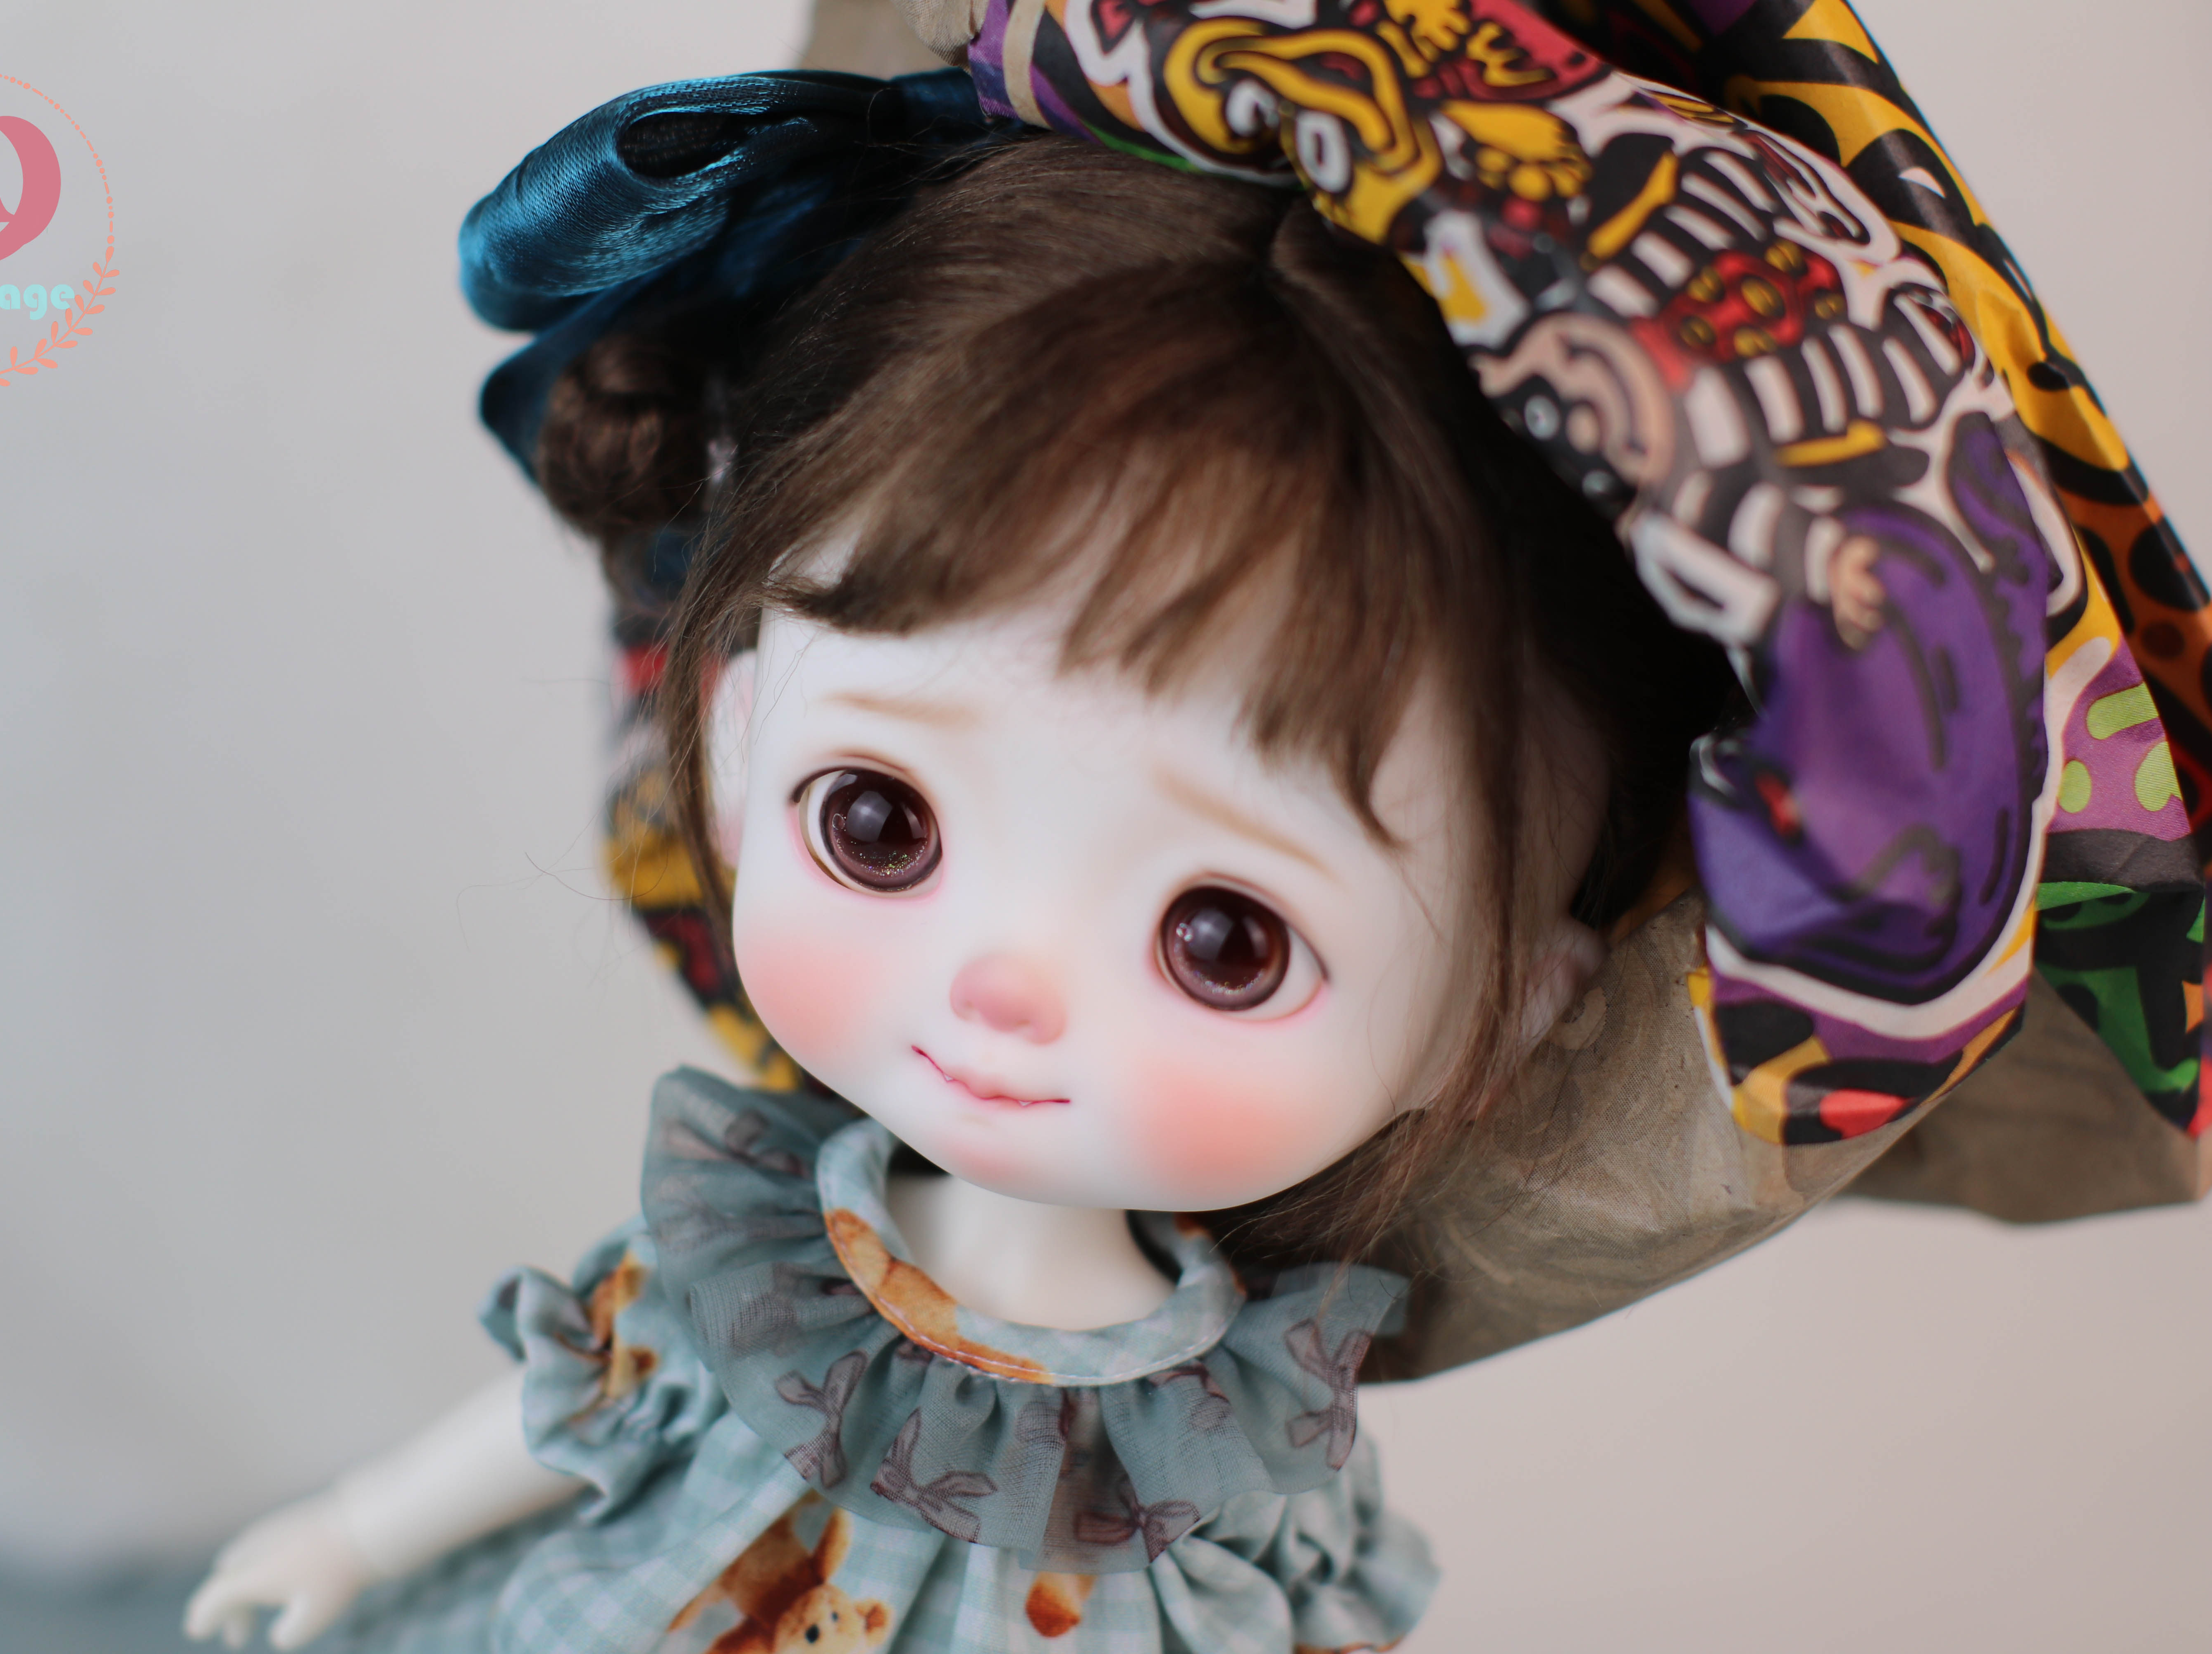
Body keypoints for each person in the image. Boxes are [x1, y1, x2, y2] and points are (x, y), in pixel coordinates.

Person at [188, 0, 2206, 1646]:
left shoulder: (1231, 1459)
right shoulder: (760, 1256)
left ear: (1520, 1009)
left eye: (1225, 938)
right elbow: (585, 1408)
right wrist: (356, 1533)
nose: (1003, 986)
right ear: (726, 727)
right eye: (879, 820)